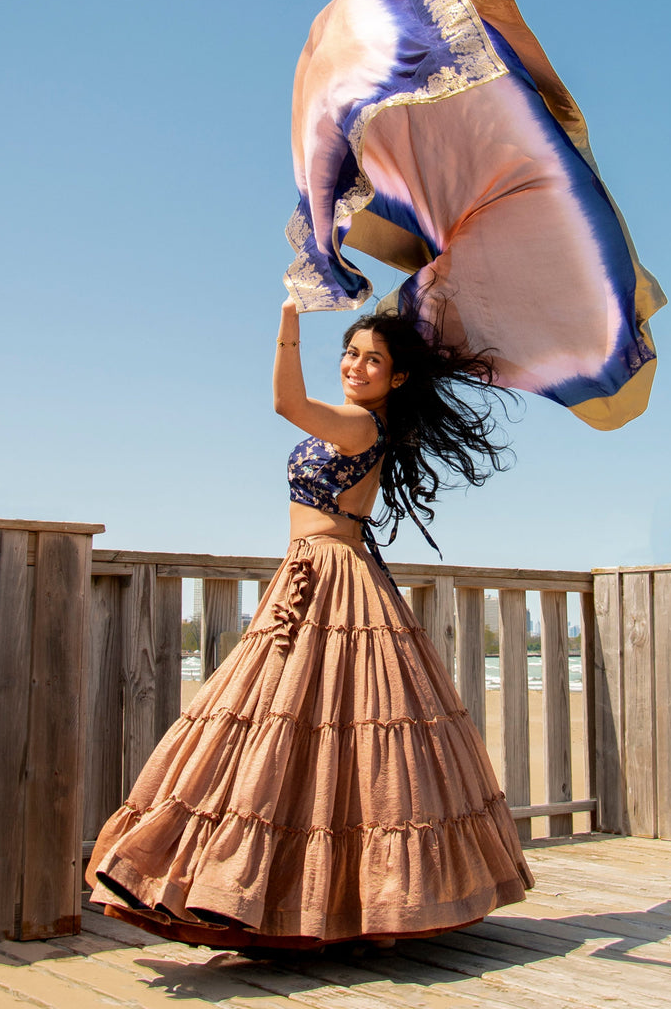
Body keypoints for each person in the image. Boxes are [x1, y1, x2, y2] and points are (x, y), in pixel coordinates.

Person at [86, 295, 534, 954]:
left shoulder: (361, 427)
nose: (356, 365)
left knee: (330, 734)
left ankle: (334, 902)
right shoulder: (354, 422)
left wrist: (290, 319)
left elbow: (286, 406)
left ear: (397, 377)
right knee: (289, 730)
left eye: (373, 359)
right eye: (351, 353)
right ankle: (298, 897)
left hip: (336, 581)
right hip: (306, 577)